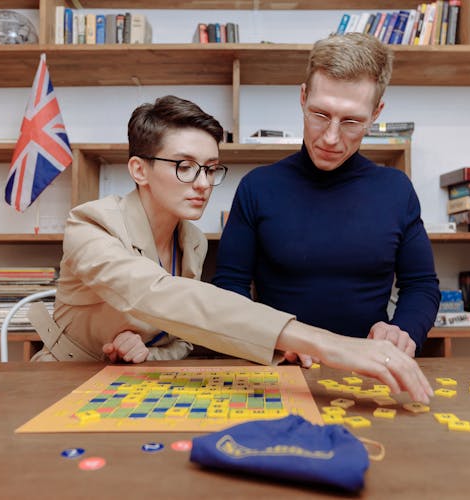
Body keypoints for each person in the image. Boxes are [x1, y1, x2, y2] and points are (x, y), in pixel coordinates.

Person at [32, 95, 432, 403]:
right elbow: (155, 294)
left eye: (210, 168)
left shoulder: (191, 241)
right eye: (184, 166)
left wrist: (144, 356)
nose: (203, 182)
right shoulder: (88, 224)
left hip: (129, 385)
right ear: (139, 169)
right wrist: (324, 342)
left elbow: (184, 337)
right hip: (61, 380)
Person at [213, 33, 440, 358]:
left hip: (368, 368)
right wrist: (270, 339)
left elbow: (421, 285)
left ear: (376, 113)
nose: (331, 138)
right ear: (303, 97)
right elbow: (229, 287)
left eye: (351, 121)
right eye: (320, 115)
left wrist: (403, 331)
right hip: (280, 367)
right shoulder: (257, 187)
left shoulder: (396, 189)